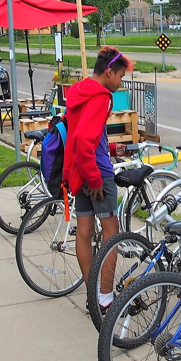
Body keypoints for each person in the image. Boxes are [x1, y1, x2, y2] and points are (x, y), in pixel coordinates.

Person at [62, 46, 132, 312]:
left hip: (79, 170)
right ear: (109, 72)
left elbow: (81, 135)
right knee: (112, 233)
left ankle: (92, 295)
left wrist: (110, 149)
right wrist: (95, 180)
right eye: (121, 77)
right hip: (96, 174)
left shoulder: (79, 91)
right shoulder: (102, 96)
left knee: (84, 231)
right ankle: (105, 298)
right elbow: (83, 141)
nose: (121, 82)